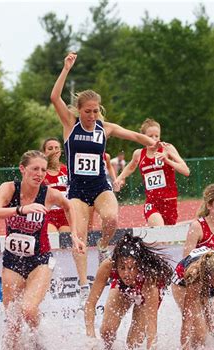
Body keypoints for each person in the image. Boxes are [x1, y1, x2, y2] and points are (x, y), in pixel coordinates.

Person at [50, 52, 157, 305]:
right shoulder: (70, 124)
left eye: (95, 111)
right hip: (76, 189)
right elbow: (54, 97)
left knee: (111, 218)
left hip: (99, 185)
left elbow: (133, 136)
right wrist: (66, 69)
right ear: (79, 110)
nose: (91, 115)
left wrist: (151, 142)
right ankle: (84, 284)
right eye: (87, 111)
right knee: (79, 237)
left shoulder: (104, 128)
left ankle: (104, 247)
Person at [0, 150, 85, 350]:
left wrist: (75, 235)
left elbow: (69, 206)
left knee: (28, 309)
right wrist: (21, 209)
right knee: (12, 320)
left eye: (43, 170)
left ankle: (41, 342)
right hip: (12, 260)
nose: (39, 174)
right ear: (23, 169)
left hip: (39, 259)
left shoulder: (49, 194)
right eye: (35, 169)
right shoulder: (9, 188)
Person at [85, 234, 173, 350]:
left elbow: (152, 328)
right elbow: (90, 303)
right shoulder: (108, 266)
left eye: (131, 268)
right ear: (116, 264)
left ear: (139, 265)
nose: (126, 274)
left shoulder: (150, 280)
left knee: (133, 344)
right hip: (123, 289)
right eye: (122, 268)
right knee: (107, 332)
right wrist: (90, 337)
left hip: (144, 295)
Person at [114, 118, 190, 227]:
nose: (154, 139)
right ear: (143, 137)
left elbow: (186, 171)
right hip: (152, 202)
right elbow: (131, 167)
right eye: (150, 136)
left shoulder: (167, 148)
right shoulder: (139, 154)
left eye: (156, 136)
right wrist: (119, 178)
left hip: (169, 202)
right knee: (159, 231)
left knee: (165, 240)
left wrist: (167, 160)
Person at [41, 138, 70, 232]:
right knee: (51, 239)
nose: (54, 151)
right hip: (49, 214)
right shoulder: (40, 172)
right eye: (50, 148)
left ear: (60, 152)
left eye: (56, 148)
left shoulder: (68, 171)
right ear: (44, 152)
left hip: (66, 213)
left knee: (66, 242)